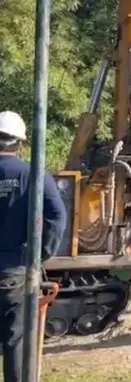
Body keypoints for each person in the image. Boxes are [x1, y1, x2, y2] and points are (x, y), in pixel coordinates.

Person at [0, 111, 68, 382]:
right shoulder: (33, 175)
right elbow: (57, 217)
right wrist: (40, 255)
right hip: (15, 272)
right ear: (20, 143)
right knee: (16, 343)